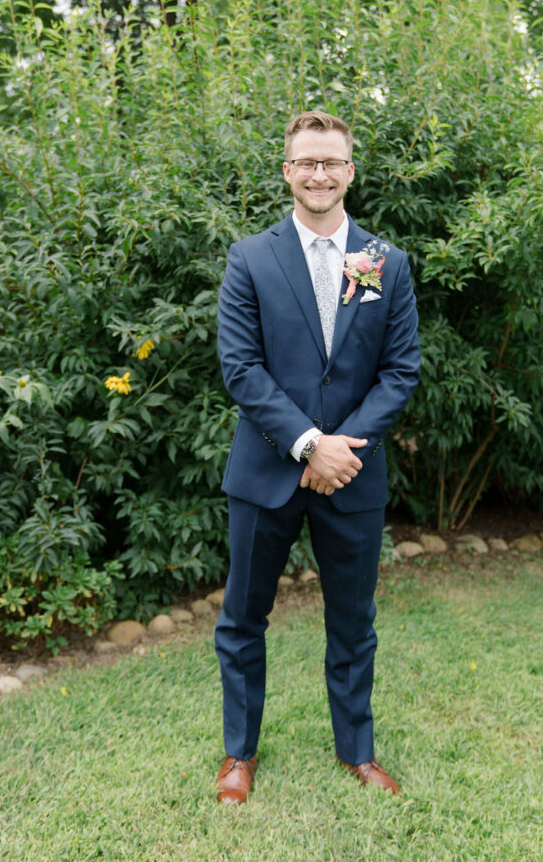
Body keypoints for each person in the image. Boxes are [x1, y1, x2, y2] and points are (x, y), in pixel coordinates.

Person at [214, 110, 420, 803]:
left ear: (350, 172)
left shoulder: (384, 262)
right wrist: (308, 444)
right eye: (306, 162)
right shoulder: (250, 258)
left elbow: (400, 370)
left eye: (331, 162)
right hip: (266, 471)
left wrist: (342, 450)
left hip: (354, 475)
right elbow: (241, 368)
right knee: (243, 618)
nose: (319, 174)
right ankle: (239, 755)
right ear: (287, 172)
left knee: (354, 622)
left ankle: (357, 752)